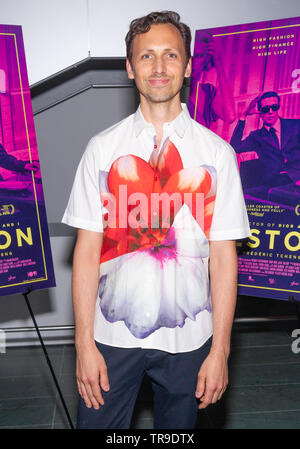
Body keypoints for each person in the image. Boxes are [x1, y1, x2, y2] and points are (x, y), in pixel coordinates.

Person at [62, 11, 250, 429]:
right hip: (109, 340)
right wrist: (83, 345)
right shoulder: (102, 149)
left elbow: (223, 258)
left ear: (187, 65)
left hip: (192, 341)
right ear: (130, 68)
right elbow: (88, 250)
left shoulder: (217, 155)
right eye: (146, 56)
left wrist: (220, 351)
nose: (159, 67)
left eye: (170, 55)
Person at [230, 91, 300, 188]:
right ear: (260, 112)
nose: (270, 111)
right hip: (273, 185)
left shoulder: (296, 125)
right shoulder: (256, 136)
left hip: (297, 181)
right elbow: (234, 147)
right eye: (266, 109)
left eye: (274, 107)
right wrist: (243, 116)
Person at [188, 31, 236, 128]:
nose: (193, 61)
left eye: (199, 56)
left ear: (206, 59)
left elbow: (230, 116)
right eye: (188, 55)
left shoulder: (208, 92)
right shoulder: (171, 89)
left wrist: (219, 65)